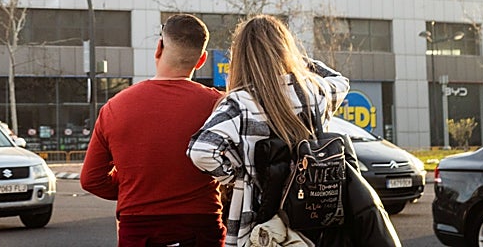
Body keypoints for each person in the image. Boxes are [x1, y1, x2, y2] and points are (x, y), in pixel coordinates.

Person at [188, 15, 351, 247]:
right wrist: (295, 59)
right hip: (310, 220)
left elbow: (201, 151)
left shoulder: (239, 103)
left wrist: (234, 174)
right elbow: (340, 80)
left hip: (256, 225)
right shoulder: (314, 92)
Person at [81, 14, 226, 247]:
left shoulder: (115, 107)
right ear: (201, 60)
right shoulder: (219, 106)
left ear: (159, 48)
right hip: (202, 226)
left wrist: (134, 182)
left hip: (139, 230)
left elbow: (91, 180)